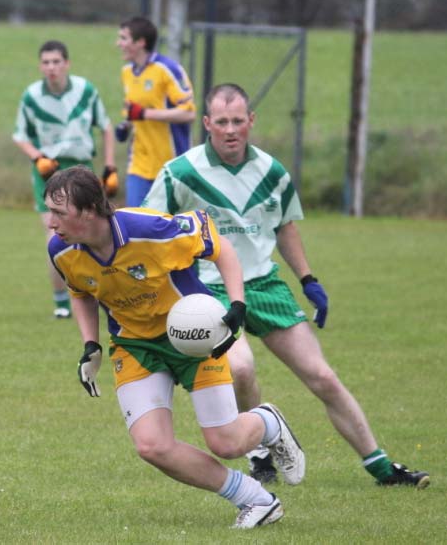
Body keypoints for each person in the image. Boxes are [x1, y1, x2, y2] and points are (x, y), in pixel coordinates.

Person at [144, 83, 430, 489]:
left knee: (323, 377)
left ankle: (382, 468)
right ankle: (261, 451)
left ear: (251, 121)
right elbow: (151, 230)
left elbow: (284, 227)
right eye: (221, 122)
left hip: (266, 285)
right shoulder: (180, 172)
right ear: (206, 123)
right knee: (240, 368)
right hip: (211, 288)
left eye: (238, 121)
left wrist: (308, 279)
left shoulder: (272, 171)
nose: (230, 130)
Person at [43, 165, 306, 530]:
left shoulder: (150, 230)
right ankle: (256, 499)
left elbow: (219, 245)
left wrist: (237, 304)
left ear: (88, 212)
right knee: (152, 446)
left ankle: (268, 422)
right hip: (135, 346)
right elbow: (80, 291)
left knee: (226, 443)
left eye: (58, 213)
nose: (50, 222)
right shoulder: (61, 250)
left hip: (193, 338)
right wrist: (90, 344)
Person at [13, 40, 117, 319]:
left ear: (67, 64)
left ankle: (102, 294)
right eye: (46, 62)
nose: (51, 67)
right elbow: (20, 135)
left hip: (81, 169)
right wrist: (37, 158)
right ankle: (62, 302)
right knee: (55, 236)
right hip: (47, 171)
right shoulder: (32, 96)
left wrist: (110, 168)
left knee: (95, 232)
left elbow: (106, 127)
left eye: (56, 61)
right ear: (40, 66)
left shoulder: (85, 90)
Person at [115, 16, 196, 206]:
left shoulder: (168, 69)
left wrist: (145, 114)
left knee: (170, 230)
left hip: (171, 165)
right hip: (139, 164)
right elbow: (133, 111)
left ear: (140, 42)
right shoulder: (127, 72)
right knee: (134, 226)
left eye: (124, 38)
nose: (118, 44)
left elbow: (189, 113)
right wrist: (125, 125)